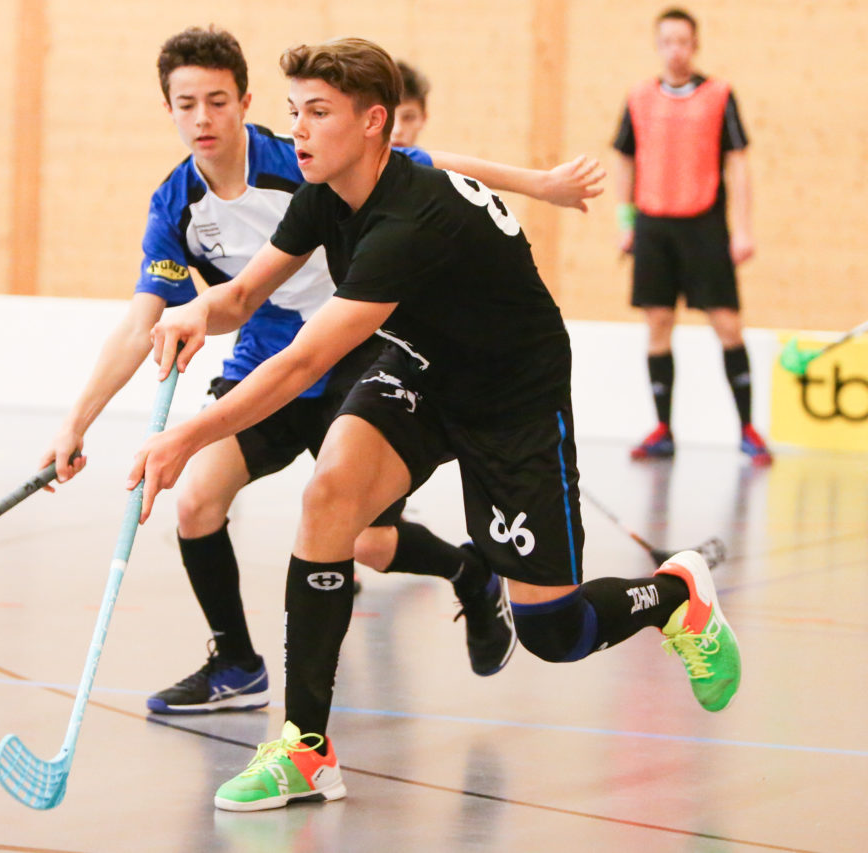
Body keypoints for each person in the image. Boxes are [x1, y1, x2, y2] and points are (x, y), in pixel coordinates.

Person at [130, 37, 740, 812]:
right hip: (420, 364)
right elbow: (243, 296)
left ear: (374, 122)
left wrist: (186, 436)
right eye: (295, 113)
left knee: (555, 630)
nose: (300, 132)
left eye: (318, 114)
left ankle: (675, 593)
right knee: (330, 499)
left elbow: (299, 366)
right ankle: (306, 750)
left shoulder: (409, 221)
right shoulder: (328, 186)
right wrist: (195, 310)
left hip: (512, 396)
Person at [43, 26, 604, 717]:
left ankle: (471, 570)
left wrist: (542, 185)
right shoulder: (183, 203)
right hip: (272, 358)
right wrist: (88, 412)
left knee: (378, 543)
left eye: (216, 101)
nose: (202, 118)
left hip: (362, 352)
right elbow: (191, 309)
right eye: (185, 104)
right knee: (205, 503)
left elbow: (428, 165)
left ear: (240, 102)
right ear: (169, 110)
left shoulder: (319, 167)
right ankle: (253, 681)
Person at [614, 7, 771, 465]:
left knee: (727, 324)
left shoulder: (719, 95)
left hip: (704, 224)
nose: (676, 51)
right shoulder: (639, 96)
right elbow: (625, 159)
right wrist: (626, 225)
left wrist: (742, 229)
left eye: (684, 42)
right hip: (653, 225)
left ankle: (747, 428)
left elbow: (738, 163)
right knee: (658, 324)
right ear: (658, 45)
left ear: (695, 45)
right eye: (668, 42)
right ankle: (663, 429)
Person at [390, 60, 429, 148]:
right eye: (387, 118)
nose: (397, 130)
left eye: (408, 117)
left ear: (423, 119)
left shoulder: (427, 161)